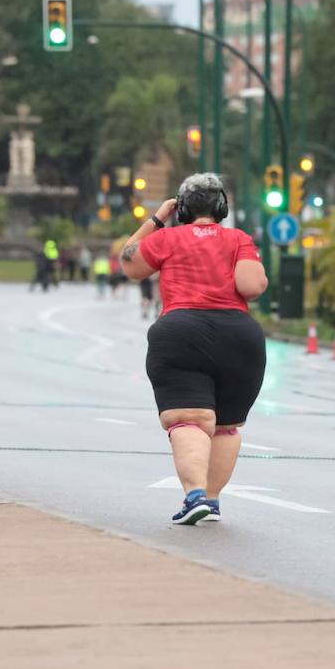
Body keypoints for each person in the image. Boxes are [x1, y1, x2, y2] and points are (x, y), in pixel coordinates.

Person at [118, 173, 268, 526]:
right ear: (221, 208)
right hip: (238, 335)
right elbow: (251, 286)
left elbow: (129, 264)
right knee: (226, 425)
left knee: (189, 418)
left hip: (181, 331)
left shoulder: (167, 237)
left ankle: (195, 495)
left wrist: (157, 220)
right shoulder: (239, 239)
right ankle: (212, 501)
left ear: (182, 209)